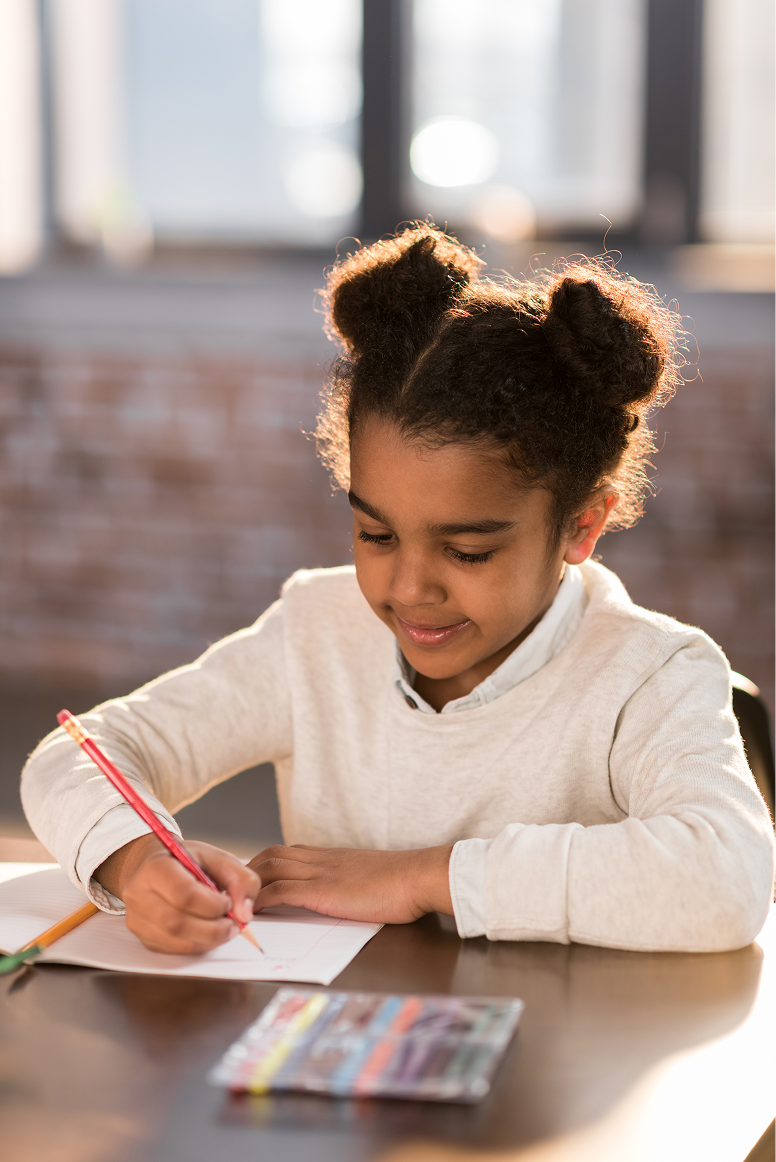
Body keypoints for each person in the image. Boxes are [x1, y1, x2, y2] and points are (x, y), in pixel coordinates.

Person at [21, 225, 775, 956]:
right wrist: (136, 860)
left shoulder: (650, 676)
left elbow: (728, 877)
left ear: (582, 525)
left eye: (468, 551)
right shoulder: (316, 632)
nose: (409, 588)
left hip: (556, 1063)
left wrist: (423, 876)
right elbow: (79, 754)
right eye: (376, 536)